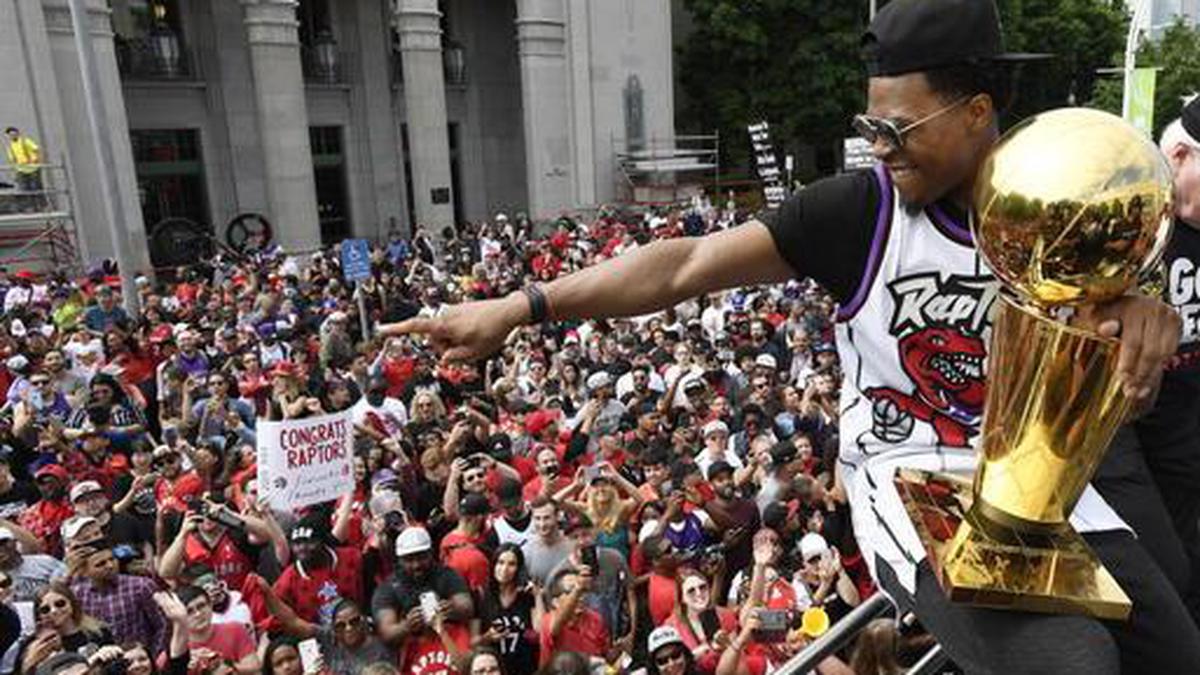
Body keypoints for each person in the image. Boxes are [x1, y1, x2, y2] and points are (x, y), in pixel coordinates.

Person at [379, 0, 1200, 671]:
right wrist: (521, 305)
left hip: (1039, 479)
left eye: (899, 128)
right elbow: (683, 265)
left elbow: (1123, 334)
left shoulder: (1067, 197)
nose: (880, 146)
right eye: (870, 126)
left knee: (1174, 650)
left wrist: (1142, 316)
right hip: (914, 477)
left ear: (977, 112)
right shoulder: (860, 210)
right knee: (1075, 661)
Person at [371, 526, 473, 673]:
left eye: (421, 557)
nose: (416, 565)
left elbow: (467, 607)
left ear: (431, 553)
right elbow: (386, 633)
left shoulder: (446, 574)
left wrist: (450, 609)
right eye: (409, 559)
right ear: (399, 559)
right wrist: (407, 626)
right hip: (412, 651)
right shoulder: (388, 588)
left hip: (450, 642)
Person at [473, 544, 542, 675]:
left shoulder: (526, 596)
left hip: (525, 667)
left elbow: (540, 630)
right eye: (500, 562)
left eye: (511, 564)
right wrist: (487, 637)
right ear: (493, 565)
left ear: (519, 568)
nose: (504, 569)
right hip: (494, 668)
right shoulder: (481, 595)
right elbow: (473, 642)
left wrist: (538, 596)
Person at [174, 584, 260, 674]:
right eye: (189, 611)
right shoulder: (177, 649)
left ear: (210, 605)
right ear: (180, 617)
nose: (198, 614)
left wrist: (221, 663)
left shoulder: (234, 629)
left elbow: (254, 668)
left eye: (201, 606)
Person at [4, 127, 43, 213]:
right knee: (24, 189)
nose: (12, 136)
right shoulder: (10, 146)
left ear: (18, 133)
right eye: (10, 135)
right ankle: (30, 207)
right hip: (21, 170)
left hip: (32, 169)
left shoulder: (25, 141)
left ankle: (40, 206)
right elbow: (12, 159)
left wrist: (35, 159)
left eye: (14, 134)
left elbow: (36, 149)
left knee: (35, 188)